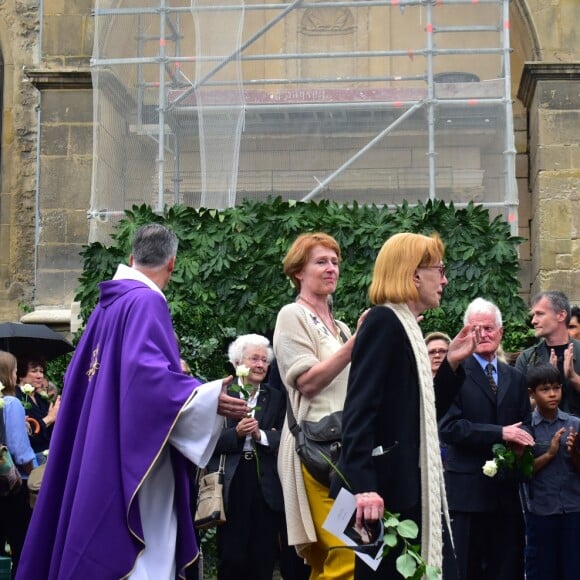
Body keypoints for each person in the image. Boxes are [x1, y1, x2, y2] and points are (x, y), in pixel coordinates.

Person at [16, 224, 249, 580]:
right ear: (172, 264)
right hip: (134, 462)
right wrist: (205, 398)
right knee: (143, 555)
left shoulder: (106, 308)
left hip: (104, 447)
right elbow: (147, 380)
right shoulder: (147, 300)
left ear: (131, 258)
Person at [332, 232, 479, 579]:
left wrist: (452, 365)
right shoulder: (385, 322)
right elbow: (359, 410)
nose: (444, 279)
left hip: (411, 490)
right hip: (389, 492)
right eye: (438, 269)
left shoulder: (407, 327)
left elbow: (416, 414)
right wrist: (364, 486)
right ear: (414, 274)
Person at [273, 232, 365, 579]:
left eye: (335, 262)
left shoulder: (339, 327)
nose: (331, 269)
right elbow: (307, 381)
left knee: (333, 557)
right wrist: (356, 344)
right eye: (321, 261)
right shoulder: (291, 315)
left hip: (343, 452)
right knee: (347, 555)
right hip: (318, 455)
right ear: (298, 271)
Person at [439, 297, 534, 580]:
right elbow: (449, 427)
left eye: (489, 328)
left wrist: (520, 445)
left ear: (501, 332)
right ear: (466, 332)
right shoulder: (455, 373)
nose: (483, 335)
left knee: (507, 568)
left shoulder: (514, 377)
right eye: (475, 328)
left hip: (505, 493)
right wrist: (500, 433)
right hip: (467, 493)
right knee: (467, 568)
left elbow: (526, 423)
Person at [206, 334, 285, 580]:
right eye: (254, 359)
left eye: (264, 360)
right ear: (238, 361)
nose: (261, 365)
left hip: (266, 483)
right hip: (233, 480)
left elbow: (286, 436)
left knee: (263, 554)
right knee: (232, 555)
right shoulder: (220, 395)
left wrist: (261, 434)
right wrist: (236, 434)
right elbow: (206, 441)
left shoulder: (275, 396)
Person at [522, 364, 580, 580]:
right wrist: (549, 455)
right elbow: (523, 472)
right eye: (545, 389)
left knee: (573, 568)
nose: (553, 394)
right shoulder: (527, 428)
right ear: (532, 393)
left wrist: (574, 451)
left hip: (574, 509)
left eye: (556, 388)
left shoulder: (574, 424)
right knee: (542, 570)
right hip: (542, 511)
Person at [0, 351, 37, 578]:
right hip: (12, 488)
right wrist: (37, 474)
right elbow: (21, 453)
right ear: (7, 375)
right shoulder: (12, 403)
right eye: (15, 371)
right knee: (21, 547)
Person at [515, 291, 580, 416]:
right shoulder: (527, 358)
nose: (533, 321)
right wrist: (544, 384)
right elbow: (518, 406)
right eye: (534, 315)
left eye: (540, 314)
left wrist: (573, 377)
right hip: (542, 433)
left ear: (561, 315)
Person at [16, 356, 60, 456]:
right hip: (32, 457)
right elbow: (26, 435)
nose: (39, 376)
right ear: (21, 375)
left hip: (49, 451)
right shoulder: (15, 398)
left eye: (41, 371)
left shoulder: (41, 398)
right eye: (34, 371)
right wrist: (49, 418)